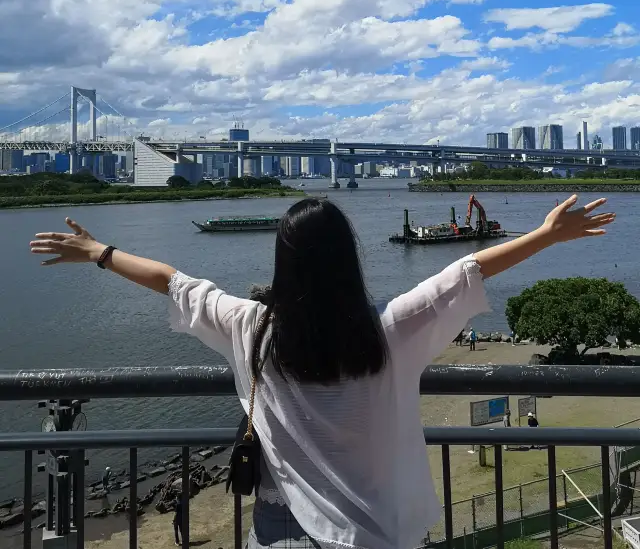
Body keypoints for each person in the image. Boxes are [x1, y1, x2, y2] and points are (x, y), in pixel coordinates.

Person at [30, 194, 614, 549]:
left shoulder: (249, 327)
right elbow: (467, 272)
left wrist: (99, 252)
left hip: (280, 523)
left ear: (283, 264)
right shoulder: (388, 331)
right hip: (374, 528)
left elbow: (173, 281)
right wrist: (547, 234)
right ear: (349, 260)